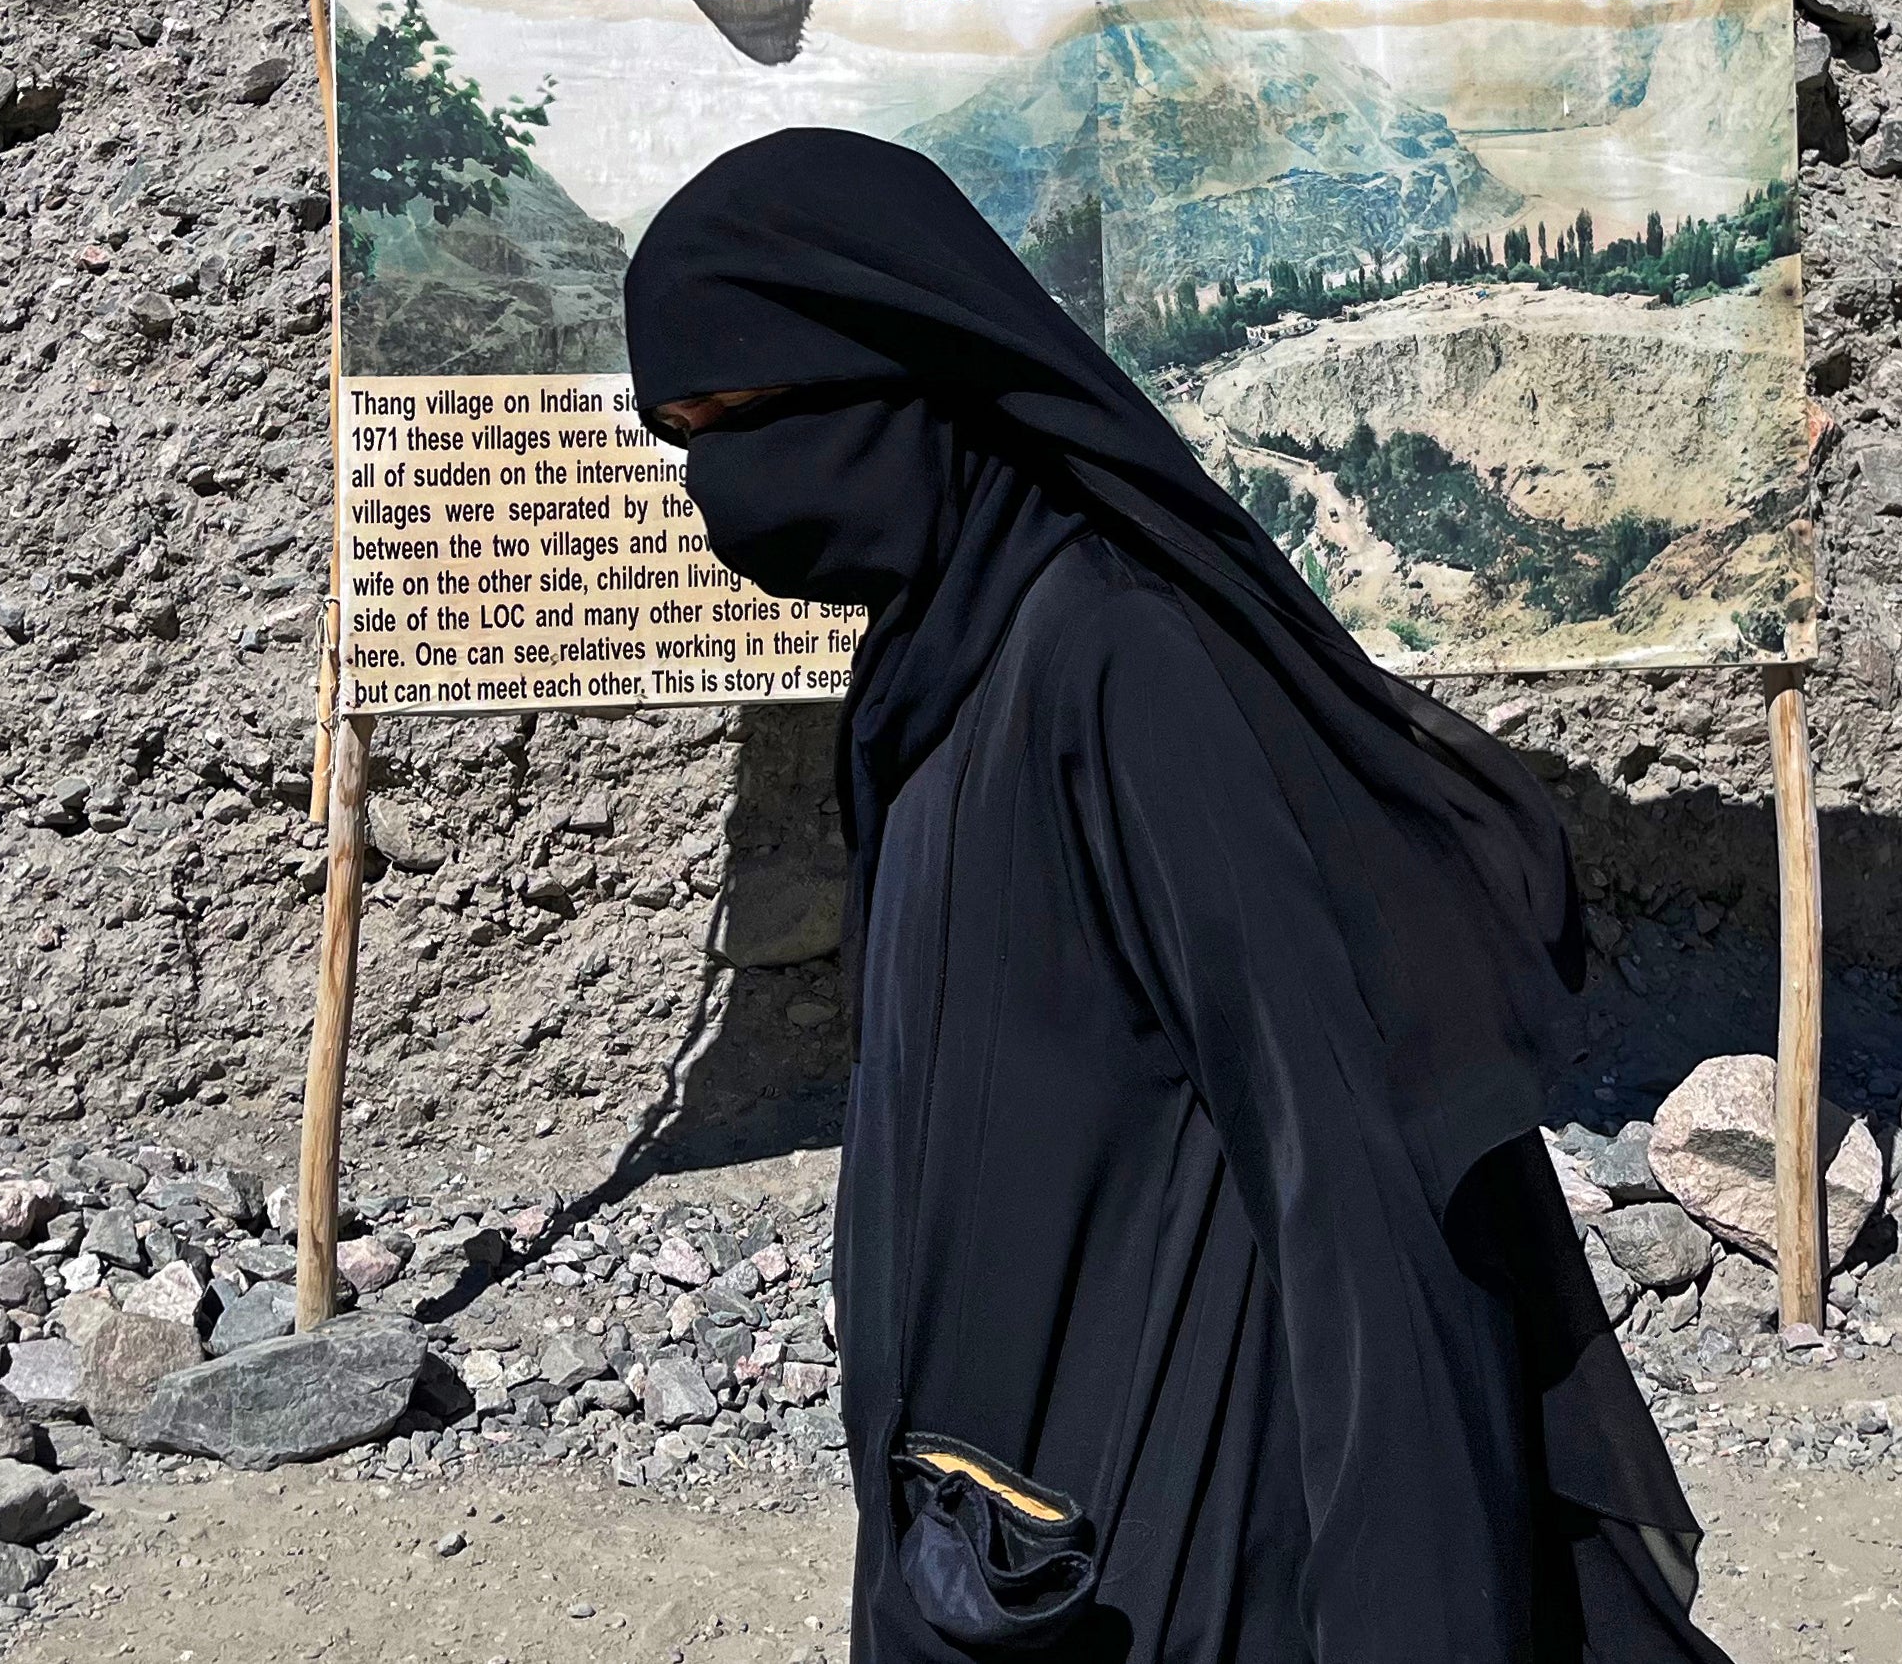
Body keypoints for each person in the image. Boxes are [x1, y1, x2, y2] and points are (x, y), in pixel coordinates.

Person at [626, 127, 1727, 1663]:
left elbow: (1342, 1151)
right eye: (680, 441)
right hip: (1008, 1468)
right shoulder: (933, 657)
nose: (720, 489)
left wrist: (1419, 1600)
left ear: (898, 371)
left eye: (741, 421)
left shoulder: (1121, 658)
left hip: (1193, 1467)